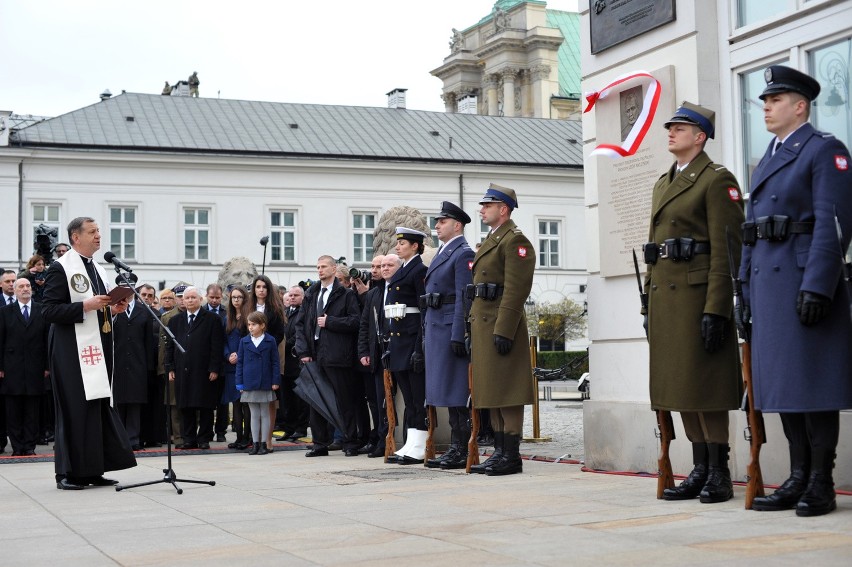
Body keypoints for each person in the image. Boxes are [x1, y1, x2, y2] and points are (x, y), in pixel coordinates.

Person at [740, 65, 852, 517]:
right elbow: (752, 232)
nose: (765, 107)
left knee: (814, 384)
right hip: (769, 286)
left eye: (775, 100)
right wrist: (744, 292)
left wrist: (819, 287)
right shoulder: (766, 157)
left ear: (800, 106)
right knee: (785, 386)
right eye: (764, 101)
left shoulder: (825, 151)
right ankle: (797, 475)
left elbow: (834, 222)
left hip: (804, 282)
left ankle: (821, 481)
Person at [643, 102, 744, 503]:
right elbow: (654, 250)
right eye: (670, 127)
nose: (670, 132)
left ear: (700, 137)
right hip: (667, 299)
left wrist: (718, 307)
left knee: (706, 383)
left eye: (680, 128)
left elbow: (727, 249)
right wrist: (647, 302)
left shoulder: (717, 180)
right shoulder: (662, 183)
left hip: (698, 295)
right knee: (680, 385)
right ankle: (699, 466)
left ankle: (719, 469)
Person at [41, 216, 136, 490]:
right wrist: (86, 305)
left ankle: (92, 470)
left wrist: (112, 308)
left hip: (97, 348)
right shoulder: (61, 268)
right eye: (92, 232)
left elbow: (99, 308)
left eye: (99, 232)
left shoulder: (97, 268)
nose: (98, 236)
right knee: (74, 410)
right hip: (70, 351)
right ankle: (67, 474)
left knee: (95, 408)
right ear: (75, 237)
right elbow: (48, 311)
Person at [469, 184, 535, 476]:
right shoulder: (492, 239)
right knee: (492, 389)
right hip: (484, 323)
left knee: (507, 390)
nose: (482, 210)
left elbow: (516, 289)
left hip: (500, 323)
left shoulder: (515, 241)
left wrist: (505, 328)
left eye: (488, 205)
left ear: (503, 209)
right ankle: (499, 451)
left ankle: (511, 454)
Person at [423, 202, 475, 470]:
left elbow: (463, 297)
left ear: (457, 225)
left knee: (455, 390)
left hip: (448, 327)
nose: (437, 225)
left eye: (442, 221)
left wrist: (459, 333)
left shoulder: (463, 253)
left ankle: (460, 446)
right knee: (443, 389)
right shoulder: (444, 251)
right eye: (437, 221)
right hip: (436, 326)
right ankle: (455, 447)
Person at [295, 255, 361, 457]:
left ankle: (350, 442)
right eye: (318, 267)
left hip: (337, 354)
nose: (320, 270)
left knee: (344, 400)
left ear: (334, 269)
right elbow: (300, 324)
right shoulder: (311, 294)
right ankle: (320, 443)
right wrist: (303, 351)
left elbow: (356, 321)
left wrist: (331, 322)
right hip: (314, 354)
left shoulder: (346, 294)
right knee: (315, 401)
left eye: (323, 266)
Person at [385, 227, 428, 465]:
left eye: (403, 243)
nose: (398, 246)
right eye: (397, 243)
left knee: (417, 396)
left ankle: (420, 444)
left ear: (415, 246)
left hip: (412, 340)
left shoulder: (419, 270)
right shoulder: (402, 271)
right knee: (409, 398)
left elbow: (424, 312)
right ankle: (412, 442)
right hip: (399, 341)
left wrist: (420, 347)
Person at [165, 286, 224, 450]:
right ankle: (189, 439)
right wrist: (170, 367)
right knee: (185, 406)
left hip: (204, 370)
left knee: (205, 405)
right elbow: (170, 346)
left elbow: (217, 346)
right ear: (182, 300)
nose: (190, 300)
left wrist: (214, 368)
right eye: (187, 298)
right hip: (182, 370)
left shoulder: (212, 319)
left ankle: (204, 438)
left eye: (193, 297)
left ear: (200, 299)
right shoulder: (175, 321)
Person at [0, 278, 49, 456]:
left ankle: (29, 446)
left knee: (32, 411)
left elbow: (47, 340)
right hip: (12, 369)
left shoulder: (41, 309)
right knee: (13, 411)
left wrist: (47, 366)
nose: (25, 289)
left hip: (36, 369)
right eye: (21, 286)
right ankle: (17, 446)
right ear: (14, 290)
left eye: (28, 286)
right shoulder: (5, 312)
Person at [112, 277, 156, 451]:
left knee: (135, 403)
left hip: (138, 363)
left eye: (129, 288)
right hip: (118, 362)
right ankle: (119, 439)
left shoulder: (143, 311)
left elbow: (148, 342)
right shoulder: (112, 310)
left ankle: (133, 439)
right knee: (119, 402)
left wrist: (149, 367)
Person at [245, 275, 286, 451]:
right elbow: (243, 329)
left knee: (270, 399)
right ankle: (256, 440)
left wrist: (266, 344)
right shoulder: (249, 307)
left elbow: (279, 332)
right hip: (250, 355)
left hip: (271, 353)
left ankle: (267, 439)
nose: (261, 290)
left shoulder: (274, 308)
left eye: (264, 287)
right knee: (254, 400)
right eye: (258, 286)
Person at [236, 311, 281, 455]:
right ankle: (255, 443)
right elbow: (240, 363)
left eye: (254, 324)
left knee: (265, 413)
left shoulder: (270, 340)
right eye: (249, 324)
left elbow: (275, 362)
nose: (250, 327)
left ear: (262, 325)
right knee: (254, 414)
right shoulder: (244, 341)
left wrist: (275, 381)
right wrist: (239, 382)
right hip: (249, 382)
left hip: (265, 381)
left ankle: (264, 443)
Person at [276, 285, 309, 442]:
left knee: (299, 399)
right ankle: (289, 428)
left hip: (297, 361)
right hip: (285, 363)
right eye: (290, 295)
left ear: (302, 297)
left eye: (296, 295)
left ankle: (300, 428)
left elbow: (298, 335)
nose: (292, 297)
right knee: (286, 398)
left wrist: (282, 346)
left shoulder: (304, 312)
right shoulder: (285, 313)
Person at [224, 286, 251, 450]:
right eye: (233, 297)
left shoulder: (249, 317)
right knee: (235, 403)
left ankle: (247, 437)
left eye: (239, 297)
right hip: (230, 366)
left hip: (245, 363)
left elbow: (250, 339)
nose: (236, 300)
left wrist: (239, 356)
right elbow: (223, 341)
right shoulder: (227, 318)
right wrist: (228, 355)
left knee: (246, 403)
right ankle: (239, 436)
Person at [205, 283, 228, 443]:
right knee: (207, 400)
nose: (214, 301)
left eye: (217, 298)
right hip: (206, 362)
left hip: (223, 362)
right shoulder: (202, 313)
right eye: (212, 297)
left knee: (222, 401)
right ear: (206, 296)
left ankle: (221, 430)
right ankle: (206, 431)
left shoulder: (226, 313)